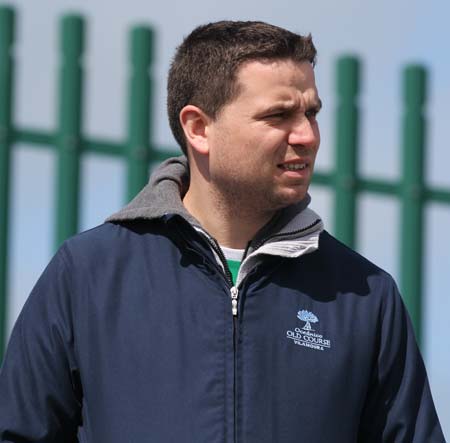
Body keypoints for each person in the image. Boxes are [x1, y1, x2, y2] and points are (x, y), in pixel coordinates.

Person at [0, 20, 445, 443]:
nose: (307, 135)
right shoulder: (88, 274)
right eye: (279, 115)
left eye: (311, 113)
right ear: (199, 128)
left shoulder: (365, 295)